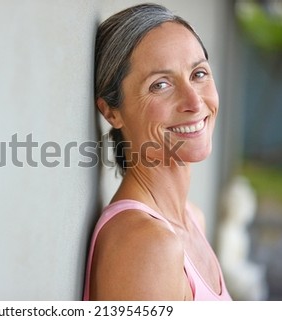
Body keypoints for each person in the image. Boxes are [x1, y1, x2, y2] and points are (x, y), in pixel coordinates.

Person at [83, 3, 232, 300]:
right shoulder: (145, 244)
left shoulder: (192, 219)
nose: (194, 101)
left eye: (199, 73)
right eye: (160, 85)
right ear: (112, 112)